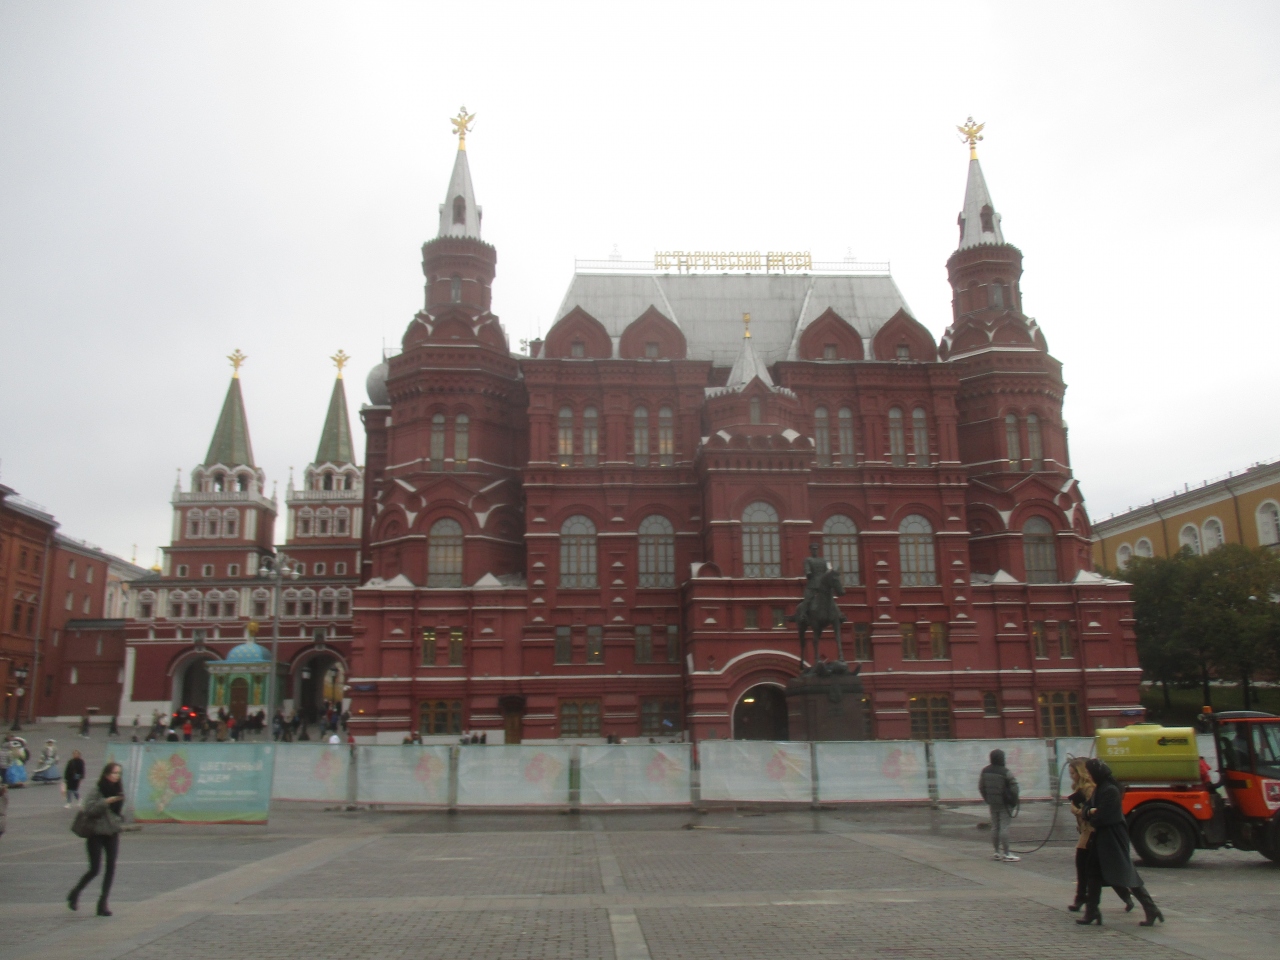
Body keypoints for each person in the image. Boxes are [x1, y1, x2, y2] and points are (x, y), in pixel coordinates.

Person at [1078, 758, 1164, 926]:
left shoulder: (1110, 790)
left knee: (1126, 873)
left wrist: (1091, 813)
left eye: (1090, 772)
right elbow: (1086, 809)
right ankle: (1092, 911)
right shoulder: (1100, 789)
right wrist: (1090, 812)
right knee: (1093, 872)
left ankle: (1151, 908)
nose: (1088, 775)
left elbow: (1101, 817)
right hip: (1101, 837)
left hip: (1112, 837)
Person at [1066, 758, 1132, 913]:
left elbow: (1093, 810)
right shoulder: (1080, 788)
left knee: (1089, 867)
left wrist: (1076, 809)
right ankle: (1090, 901)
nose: (1071, 776)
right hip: (1086, 831)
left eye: (1073, 773)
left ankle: (1084, 900)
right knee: (1096, 869)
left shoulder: (1090, 788)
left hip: (1091, 831)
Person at [67, 762, 125, 917]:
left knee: (111, 867)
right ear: (106, 774)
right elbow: (89, 809)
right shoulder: (98, 789)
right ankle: (76, 892)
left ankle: (103, 902)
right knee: (95, 869)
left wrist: (119, 820)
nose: (116, 776)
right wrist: (105, 802)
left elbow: (118, 813)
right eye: (114, 773)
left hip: (112, 833)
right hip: (96, 834)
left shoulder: (119, 790)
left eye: (119, 773)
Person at [978, 748, 1020, 862]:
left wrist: (987, 798)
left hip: (992, 803)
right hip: (1005, 804)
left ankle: (996, 852)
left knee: (995, 827)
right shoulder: (1005, 772)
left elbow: (981, 787)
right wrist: (1013, 800)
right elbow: (1014, 787)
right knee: (1004, 827)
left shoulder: (985, 771)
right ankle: (1006, 853)